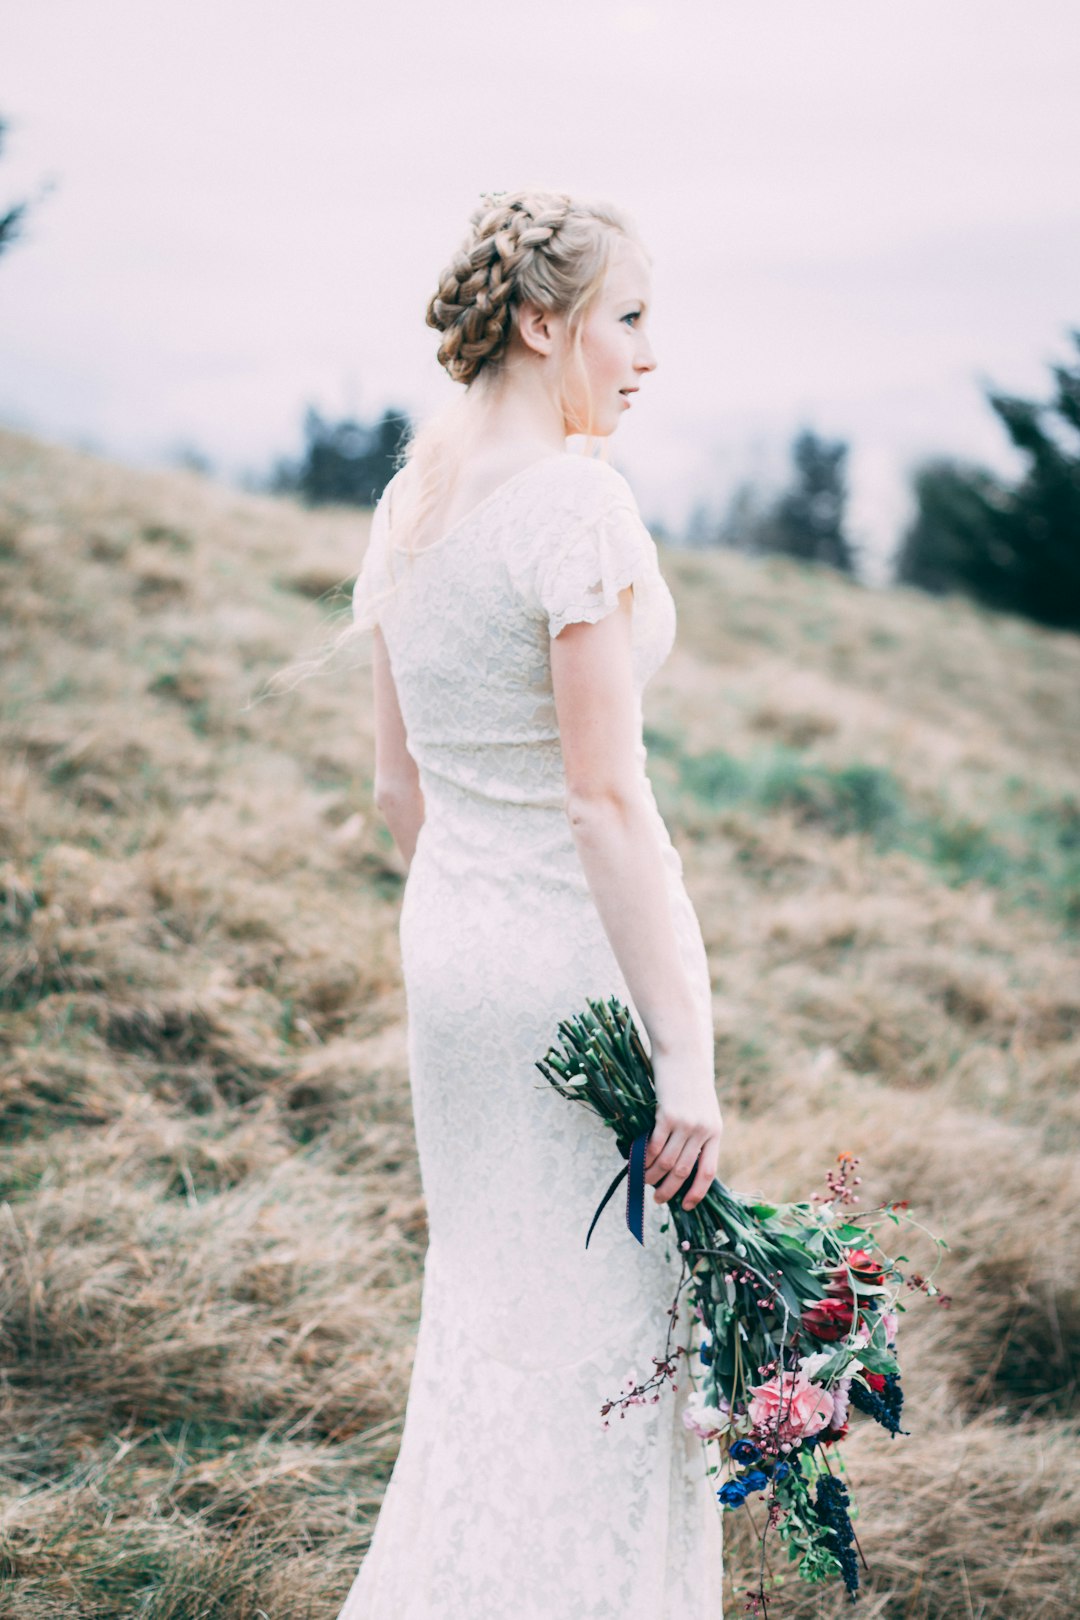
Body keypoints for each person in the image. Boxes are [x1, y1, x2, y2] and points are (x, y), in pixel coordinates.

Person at [336, 186, 725, 1619]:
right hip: (571, 975)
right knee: (606, 1348)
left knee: (494, 1326)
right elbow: (607, 802)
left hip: (454, 963)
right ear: (544, 323)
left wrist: (476, 912)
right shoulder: (574, 502)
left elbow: (398, 787)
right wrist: (684, 1055)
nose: (645, 352)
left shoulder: (411, 498)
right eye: (627, 319)